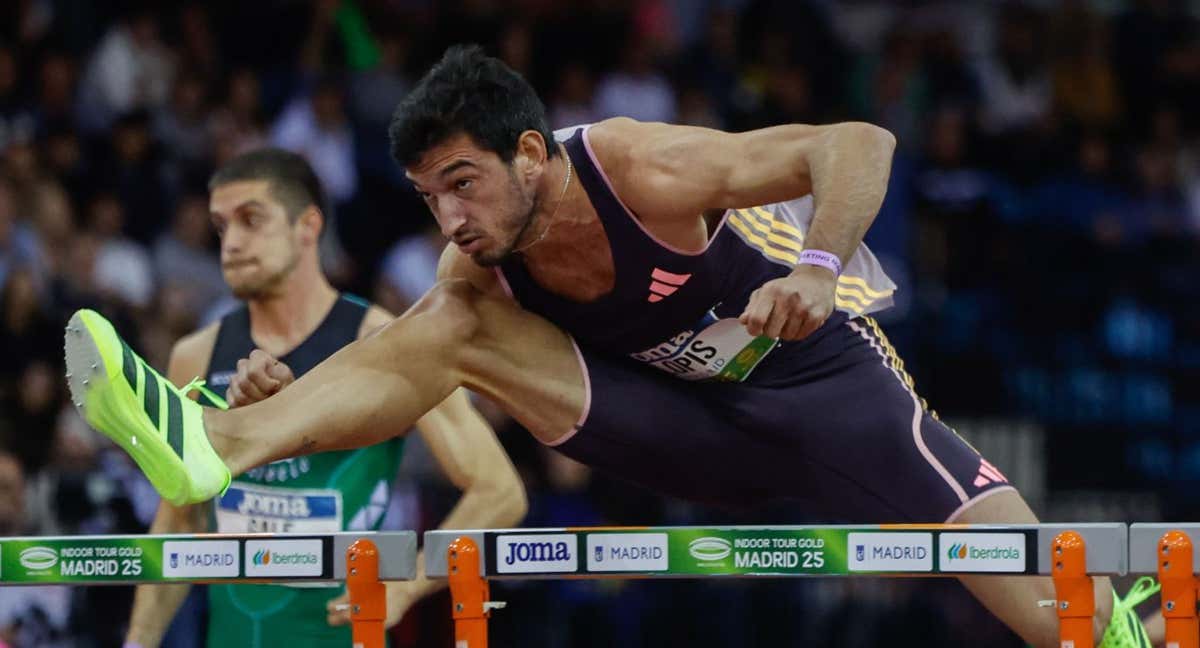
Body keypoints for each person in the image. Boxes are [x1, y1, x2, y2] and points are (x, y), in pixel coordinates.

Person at [68, 46, 1156, 648]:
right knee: (445, 322)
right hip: (668, 423)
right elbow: (401, 384)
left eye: (464, 182)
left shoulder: (641, 168)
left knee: (1058, 621)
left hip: (817, 382)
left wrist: (817, 271)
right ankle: (216, 440)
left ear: (531, 153)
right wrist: (279, 397)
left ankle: (1116, 628)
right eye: (426, 195)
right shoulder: (475, 264)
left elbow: (855, 143)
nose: (449, 217)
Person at [119, 149, 527, 648]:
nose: (231, 244)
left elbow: (500, 491)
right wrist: (137, 643)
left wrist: (407, 586)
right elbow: (176, 524)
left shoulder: (385, 339)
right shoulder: (195, 354)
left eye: (251, 220)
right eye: (222, 226)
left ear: (307, 226)